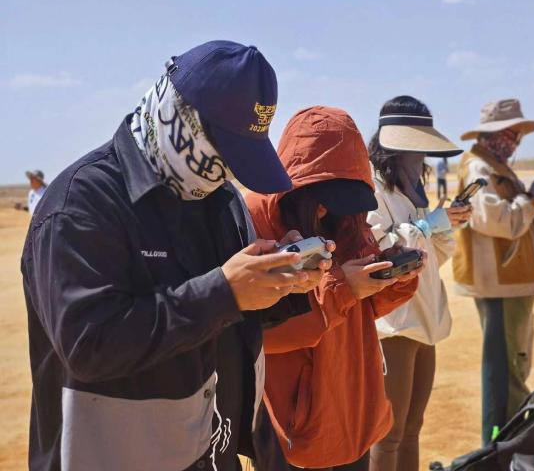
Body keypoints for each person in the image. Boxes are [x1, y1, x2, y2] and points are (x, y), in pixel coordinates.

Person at [20, 41, 330, 471]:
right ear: (179, 116)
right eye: (223, 148)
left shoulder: (218, 201)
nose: (224, 170)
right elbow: (89, 345)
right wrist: (224, 291)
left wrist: (281, 283)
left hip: (210, 453)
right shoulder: (80, 205)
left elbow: (228, 317)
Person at [245, 106, 421, 471]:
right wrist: (344, 291)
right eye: (324, 200)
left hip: (354, 409)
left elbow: (365, 310)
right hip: (295, 422)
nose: (329, 210)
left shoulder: (350, 217)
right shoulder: (255, 220)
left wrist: (390, 277)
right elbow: (258, 333)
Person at [367, 96, 470, 471]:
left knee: (412, 428)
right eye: (415, 149)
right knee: (389, 434)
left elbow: (432, 259)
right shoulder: (372, 189)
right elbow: (381, 250)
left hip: (424, 317)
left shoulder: (412, 188)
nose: (420, 159)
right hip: (393, 324)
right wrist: (430, 225)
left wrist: (446, 222)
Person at [451, 98, 534, 446]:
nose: (515, 142)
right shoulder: (479, 168)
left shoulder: (494, 165)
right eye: (512, 134)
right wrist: (531, 201)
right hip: (498, 284)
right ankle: (498, 448)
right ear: (493, 134)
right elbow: (494, 220)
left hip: (510, 281)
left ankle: (508, 444)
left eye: (518, 136)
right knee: (504, 371)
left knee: (513, 363)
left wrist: (531, 199)